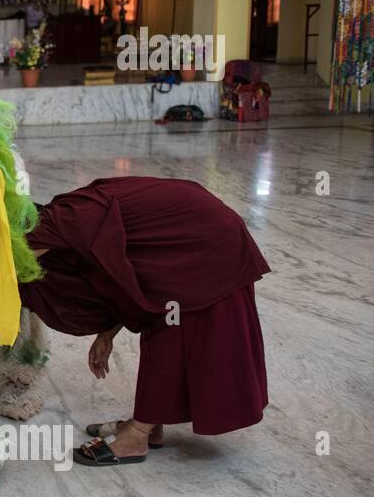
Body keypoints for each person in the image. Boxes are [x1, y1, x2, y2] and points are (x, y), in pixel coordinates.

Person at [19, 176, 270, 466]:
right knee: (163, 321)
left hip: (208, 242)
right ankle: (152, 425)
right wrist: (106, 334)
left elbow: (13, 268)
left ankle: (137, 437)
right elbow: (122, 275)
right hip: (201, 229)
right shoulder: (63, 221)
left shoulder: (50, 229)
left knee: (170, 331)